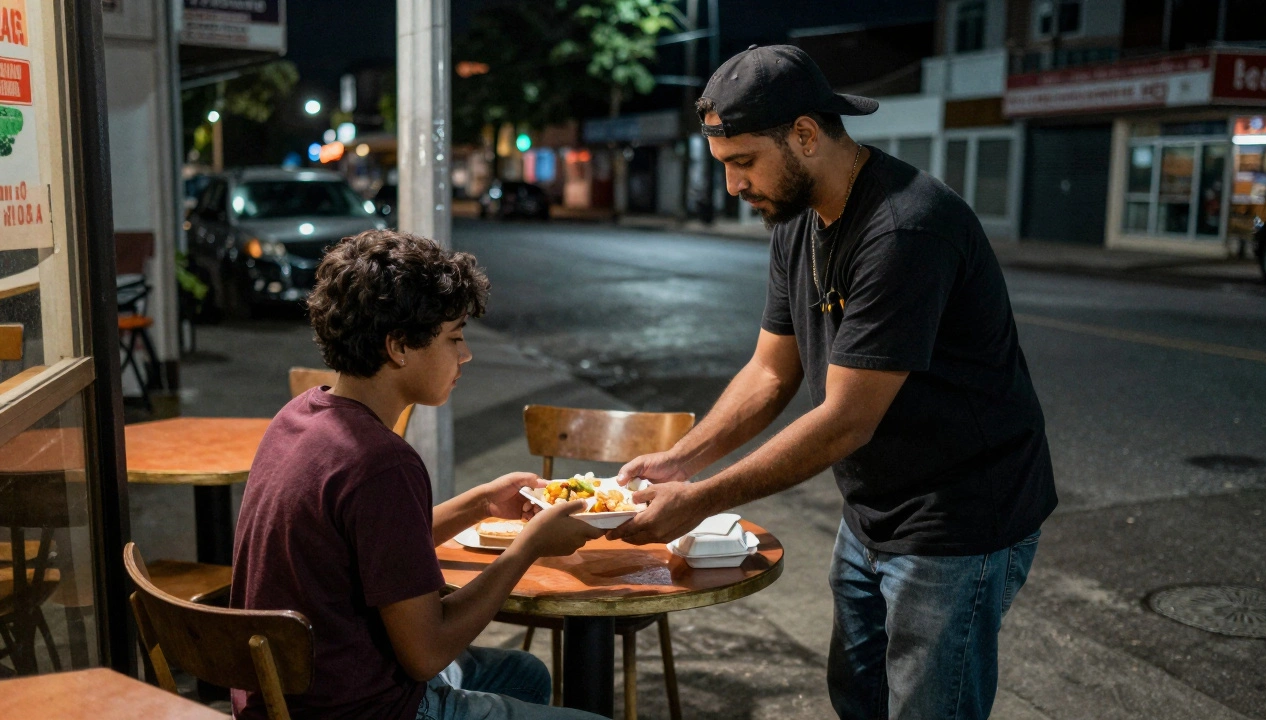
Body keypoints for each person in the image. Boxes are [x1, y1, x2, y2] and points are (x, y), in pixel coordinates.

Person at [609, 45, 1057, 720]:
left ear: (806, 136)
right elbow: (769, 370)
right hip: (872, 509)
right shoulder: (798, 221)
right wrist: (683, 460)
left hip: (958, 516)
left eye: (742, 163)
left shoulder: (905, 227)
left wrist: (699, 501)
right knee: (857, 696)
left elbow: (848, 418)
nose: (733, 186)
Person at [230, 229, 607, 720]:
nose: (465, 355)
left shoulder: (298, 416)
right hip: (362, 711)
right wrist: (528, 546)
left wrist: (479, 503)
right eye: (454, 338)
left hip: (288, 697)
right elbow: (427, 652)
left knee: (525, 674)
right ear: (399, 346)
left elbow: (376, 550)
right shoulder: (381, 462)